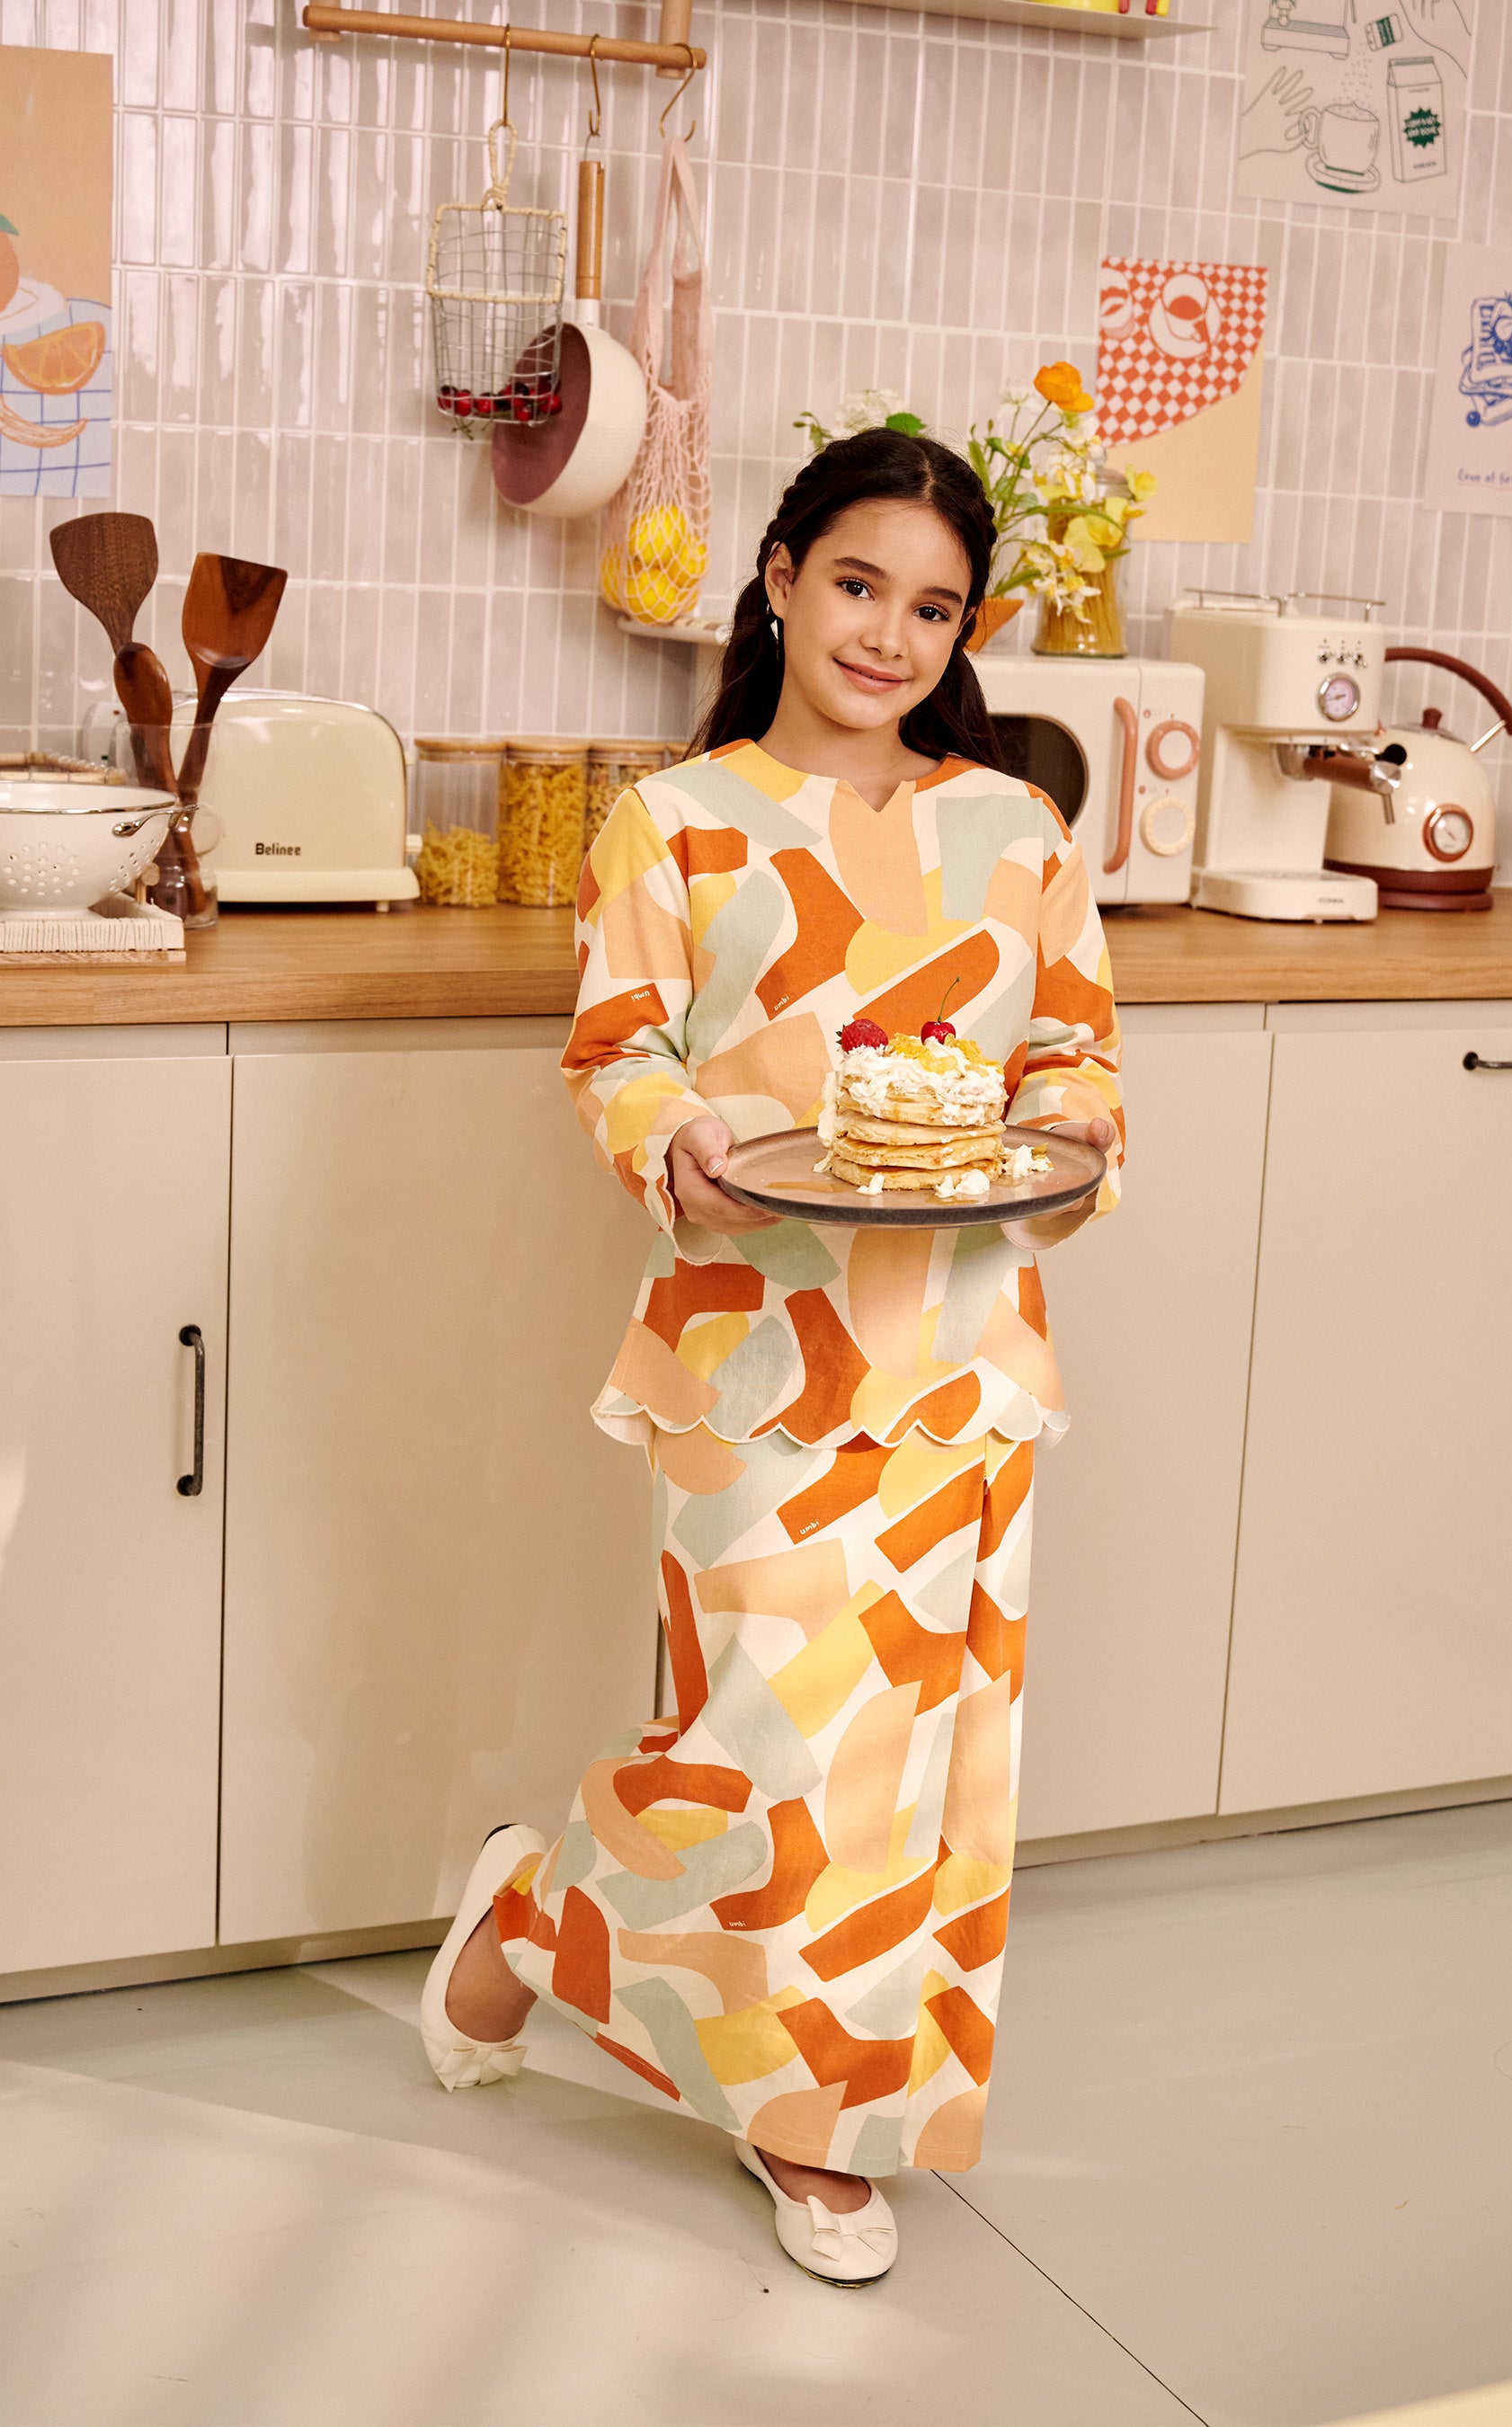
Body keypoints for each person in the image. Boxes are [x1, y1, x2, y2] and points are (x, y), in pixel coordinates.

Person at [419, 429, 1122, 2287]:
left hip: (966, 1354)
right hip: (748, 1362)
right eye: (860, 585)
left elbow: (1077, 1065)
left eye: (935, 607)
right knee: (756, 1750)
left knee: (915, 1785)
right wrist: (674, 1141)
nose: (890, 633)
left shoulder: (1017, 834)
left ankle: (821, 2126)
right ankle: (537, 1923)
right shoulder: (680, 822)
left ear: (966, 631)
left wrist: (1075, 1148)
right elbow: (617, 1051)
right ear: (785, 580)